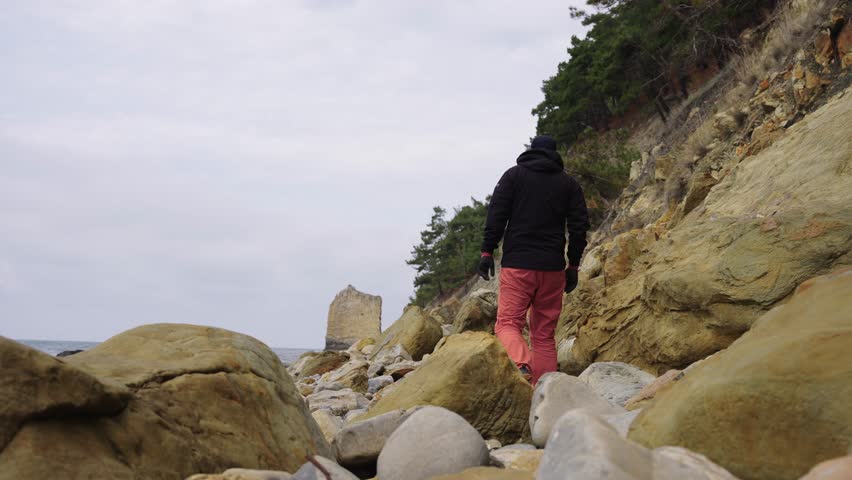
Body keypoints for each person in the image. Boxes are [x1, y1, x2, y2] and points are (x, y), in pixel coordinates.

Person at [478, 135, 590, 384]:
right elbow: (579, 228)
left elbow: (496, 216)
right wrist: (572, 266)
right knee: (543, 335)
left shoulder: (513, 176)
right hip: (552, 269)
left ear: (531, 151)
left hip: (518, 265)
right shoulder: (568, 184)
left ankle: (521, 365)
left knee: (507, 324)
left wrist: (487, 252)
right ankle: (546, 391)